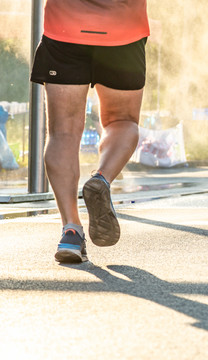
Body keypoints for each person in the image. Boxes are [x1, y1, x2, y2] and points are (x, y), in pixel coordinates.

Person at [29, 0, 149, 263]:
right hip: (123, 32)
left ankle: (71, 232)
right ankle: (101, 179)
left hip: (64, 31)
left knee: (63, 133)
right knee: (123, 120)